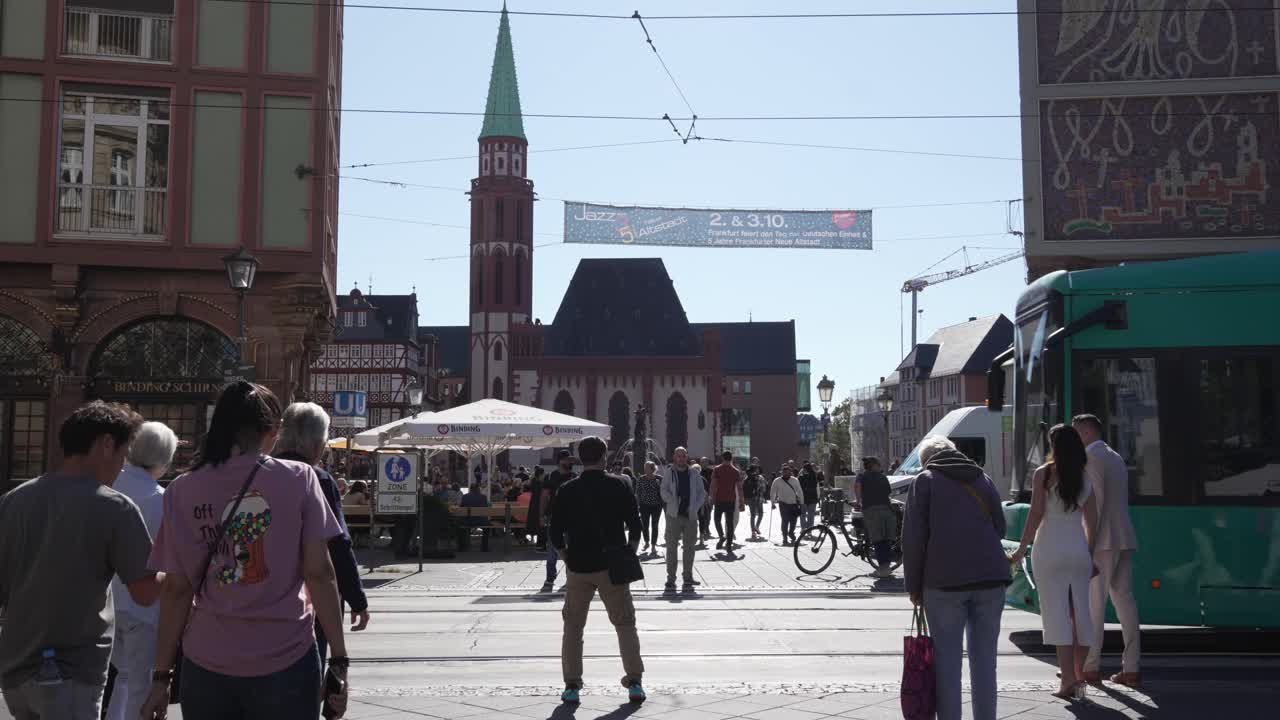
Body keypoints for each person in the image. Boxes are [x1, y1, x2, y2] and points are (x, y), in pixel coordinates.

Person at [141, 381, 349, 720]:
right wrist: (339, 658)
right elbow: (320, 573)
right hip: (286, 655)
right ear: (273, 431)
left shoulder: (181, 489)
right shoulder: (300, 479)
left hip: (207, 660)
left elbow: (177, 590)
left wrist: (161, 677)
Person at [0, 402, 160, 720]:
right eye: (123, 452)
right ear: (105, 444)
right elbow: (146, 593)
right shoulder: (115, 507)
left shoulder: (13, 500)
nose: (122, 464)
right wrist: (178, 572)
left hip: (15, 669)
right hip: (71, 672)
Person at [902, 436, 1011, 720]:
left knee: (947, 664)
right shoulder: (982, 479)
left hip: (944, 583)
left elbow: (913, 540)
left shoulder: (925, 481)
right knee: (985, 663)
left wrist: (914, 587)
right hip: (990, 579)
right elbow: (1000, 528)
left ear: (926, 460)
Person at [550, 436, 646, 705]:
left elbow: (554, 532)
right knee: (625, 625)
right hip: (612, 566)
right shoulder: (620, 485)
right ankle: (634, 682)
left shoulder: (567, 489)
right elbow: (636, 525)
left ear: (580, 459)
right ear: (604, 457)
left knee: (573, 627)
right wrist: (629, 551)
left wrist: (565, 555)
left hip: (578, 566)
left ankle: (572, 685)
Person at [274, 402, 370, 667]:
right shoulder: (319, 479)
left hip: (266, 594)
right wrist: (356, 598)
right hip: (311, 600)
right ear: (317, 444)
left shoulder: (260, 473)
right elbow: (338, 544)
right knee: (309, 671)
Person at [1010, 425, 1100, 702]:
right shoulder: (1085, 478)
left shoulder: (1044, 474)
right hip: (1078, 550)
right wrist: (1090, 554)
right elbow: (1093, 522)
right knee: (1081, 613)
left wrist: (1020, 550)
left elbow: (1036, 514)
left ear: (1054, 447)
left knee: (1056, 614)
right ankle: (1080, 677)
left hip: (1048, 549)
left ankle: (1067, 681)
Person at [105, 421, 178, 720]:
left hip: (109, 600)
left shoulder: (109, 484)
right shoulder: (161, 500)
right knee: (140, 684)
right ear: (162, 460)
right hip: (144, 603)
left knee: (118, 678)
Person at [1073, 414, 1141, 687]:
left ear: (1087, 431)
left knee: (1094, 605)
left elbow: (1096, 505)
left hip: (1102, 541)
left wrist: (1088, 546)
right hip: (1124, 536)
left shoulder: (1090, 459)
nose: (1073, 438)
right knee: (1126, 603)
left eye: (1076, 432)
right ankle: (1132, 667)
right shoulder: (1114, 456)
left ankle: (1090, 667)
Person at [660, 447, 707, 592]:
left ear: (686, 457)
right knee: (671, 548)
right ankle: (671, 578)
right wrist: (672, 500)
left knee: (689, 548)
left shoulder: (694, 472)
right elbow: (663, 490)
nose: (681, 458)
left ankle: (687, 577)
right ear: (674, 457)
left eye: (683, 456)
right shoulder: (669, 472)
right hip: (673, 515)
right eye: (678, 456)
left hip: (690, 516)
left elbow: (701, 493)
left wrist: (695, 507)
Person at [853, 457, 896, 577]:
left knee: (878, 539)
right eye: (879, 464)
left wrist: (857, 501)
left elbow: (857, 487)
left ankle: (883, 568)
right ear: (874, 465)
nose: (880, 466)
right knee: (886, 538)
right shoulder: (882, 476)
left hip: (871, 510)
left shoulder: (862, 476)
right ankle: (885, 566)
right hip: (886, 509)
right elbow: (888, 492)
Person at [542, 451, 577, 592]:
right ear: (560, 461)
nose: (570, 463)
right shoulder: (551, 477)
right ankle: (550, 578)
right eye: (567, 460)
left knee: (571, 548)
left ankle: (570, 577)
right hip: (554, 517)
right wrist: (541, 515)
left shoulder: (575, 477)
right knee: (552, 550)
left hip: (572, 518)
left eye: (571, 460)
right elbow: (544, 497)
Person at [709, 451, 744, 551]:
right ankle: (728, 544)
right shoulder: (736, 471)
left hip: (719, 499)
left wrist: (711, 497)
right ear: (731, 458)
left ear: (722, 458)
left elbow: (713, 485)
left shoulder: (717, 469)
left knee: (717, 520)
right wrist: (741, 501)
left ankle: (721, 536)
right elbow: (739, 487)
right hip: (731, 499)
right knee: (729, 523)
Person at [770, 464, 804, 546]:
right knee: (785, 520)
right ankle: (784, 537)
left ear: (790, 473)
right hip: (783, 503)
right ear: (782, 472)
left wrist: (802, 503)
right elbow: (773, 492)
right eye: (784, 473)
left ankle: (791, 533)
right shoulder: (777, 481)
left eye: (788, 473)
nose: (786, 474)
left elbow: (799, 491)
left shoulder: (795, 480)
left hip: (793, 503)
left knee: (793, 521)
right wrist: (772, 502)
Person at [634, 461, 664, 555]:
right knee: (645, 525)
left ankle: (653, 545)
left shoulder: (659, 478)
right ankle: (647, 542)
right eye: (645, 467)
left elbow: (663, 492)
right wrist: (637, 504)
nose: (645, 469)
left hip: (656, 506)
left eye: (647, 467)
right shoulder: (641, 479)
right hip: (644, 506)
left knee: (655, 525)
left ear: (652, 468)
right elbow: (638, 492)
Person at [742, 465, 767, 540]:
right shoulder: (760, 477)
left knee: (752, 515)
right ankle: (757, 526)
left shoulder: (746, 477)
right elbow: (763, 489)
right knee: (760, 513)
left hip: (749, 499)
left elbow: (744, 488)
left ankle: (753, 531)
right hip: (758, 498)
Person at [798, 462, 820, 531]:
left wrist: (798, 498)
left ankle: (803, 528)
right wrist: (818, 497)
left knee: (802, 514)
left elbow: (798, 489)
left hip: (803, 499)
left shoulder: (801, 478)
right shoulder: (814, 477)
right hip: (813, 499)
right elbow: (817, 488)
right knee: (811, 515)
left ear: (805, 469)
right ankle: (809, 529)